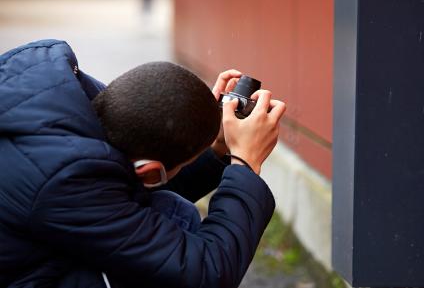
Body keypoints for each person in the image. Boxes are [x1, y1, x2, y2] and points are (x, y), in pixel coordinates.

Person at [0, 39, 286, 288]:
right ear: (149, 171)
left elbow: (120, 190)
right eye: (185, 163)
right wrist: (245, 163)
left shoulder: (74, 104)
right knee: (174, 222)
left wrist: (213, 144)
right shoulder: (65, 181)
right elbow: (208, 272)